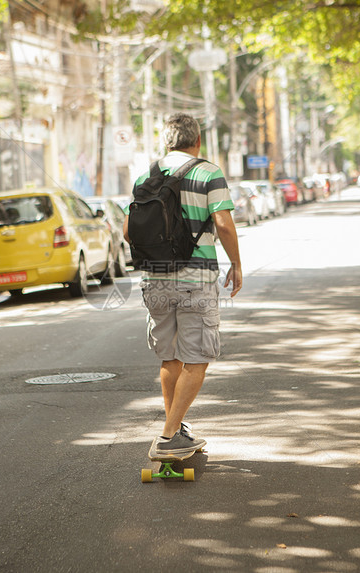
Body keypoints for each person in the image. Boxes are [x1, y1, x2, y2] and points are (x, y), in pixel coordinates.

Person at [123, 113, 243, 457]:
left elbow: (129, 232)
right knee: (198, 358)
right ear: (197, 141)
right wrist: (235, 263)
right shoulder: (209, 172)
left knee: (170, 358)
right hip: (196, 279)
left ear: (166, 142)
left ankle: (177, 428)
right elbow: (223, 223)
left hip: (154, 279)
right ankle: (168, 435)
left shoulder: (146, 175)